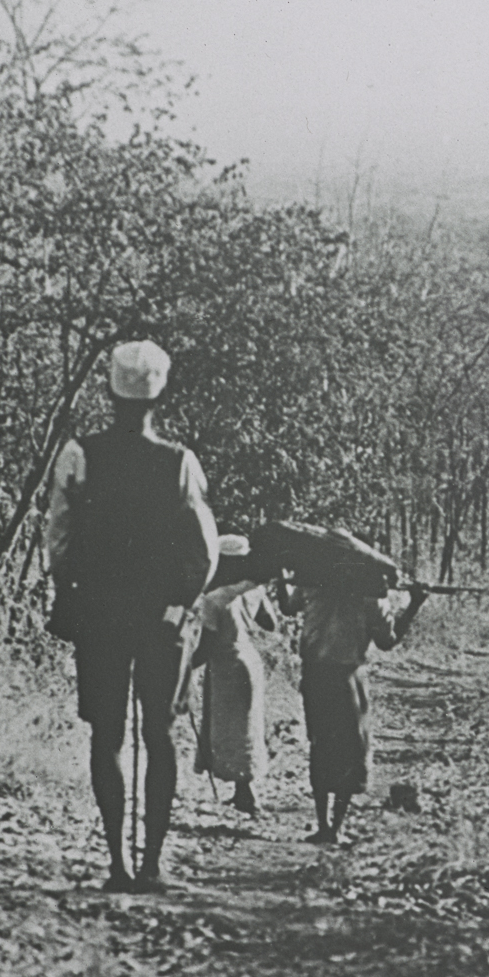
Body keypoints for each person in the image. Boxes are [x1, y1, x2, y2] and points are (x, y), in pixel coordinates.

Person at [45, 341, 218, 893]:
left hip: (98, 614)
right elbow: (204, 552)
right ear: (161, 393)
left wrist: (74, 592)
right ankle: (152, 866)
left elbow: (58, 538)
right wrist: (179, 601)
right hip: (160, 618)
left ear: (108, 390)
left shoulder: (79, 454)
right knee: (160, 733)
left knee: (108, 735)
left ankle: (118, 864)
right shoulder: (179, 462)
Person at [277, 571, 426, 845]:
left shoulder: (313, 584)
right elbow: (387, 641)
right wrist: (414, 604)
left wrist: (280, 577)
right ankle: (335, 828)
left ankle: (324, 825)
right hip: (347, 677)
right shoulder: (370, 595)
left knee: (320, 745)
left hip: (315, 675)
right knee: (349, 748)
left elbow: (287, 607)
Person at [182, 535, 276, 817]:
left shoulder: (215, 599)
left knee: (232, 728)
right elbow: (269, 623)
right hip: (249, 660)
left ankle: (248, 795)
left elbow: (208, 644)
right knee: (245, 726)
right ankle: (242, 793)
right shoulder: (252, 590)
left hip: (226, 664)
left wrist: (183, 665)